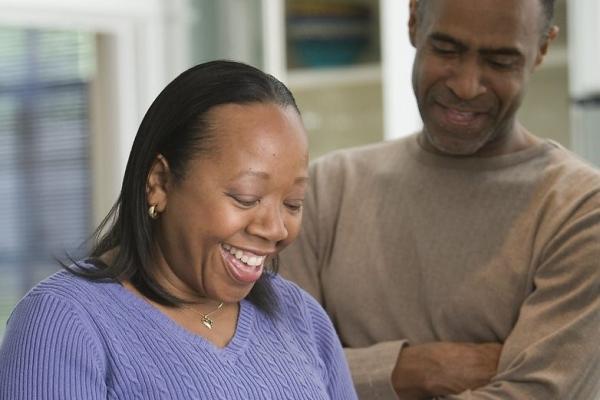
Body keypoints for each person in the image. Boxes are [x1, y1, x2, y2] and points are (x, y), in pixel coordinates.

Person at [280, 0, 600, 399]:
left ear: (542, 49)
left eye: (500, 62)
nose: (466, 86)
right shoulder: (327, 190)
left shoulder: (580, 210)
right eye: (447, 50)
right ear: (413, 21)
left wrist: (344, 373)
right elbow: (274, 374)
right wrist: (412, 370)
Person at [0, 60, 358, 400]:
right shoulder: (64, 321)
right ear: (160, 182)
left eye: (293, 203)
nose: (276, 228)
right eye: (246, 197)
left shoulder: (301, 317)